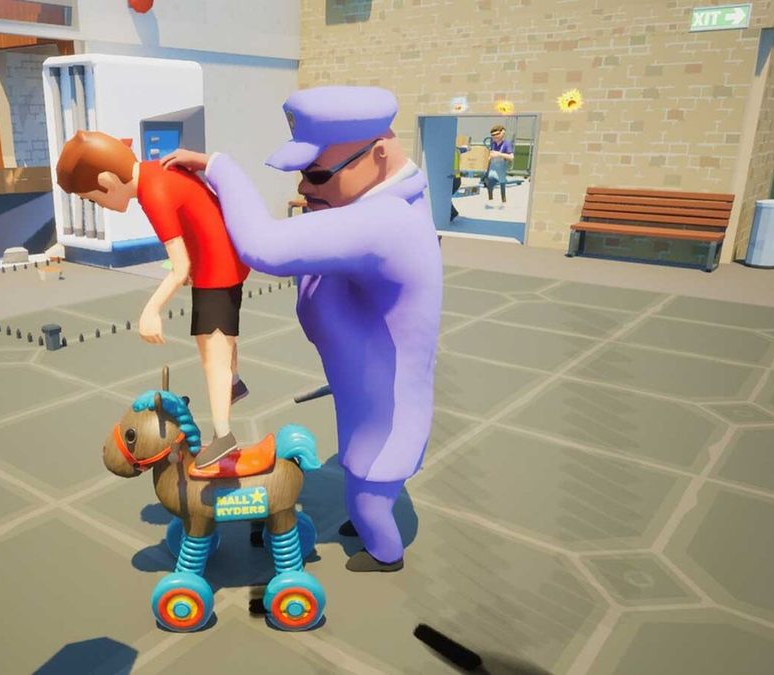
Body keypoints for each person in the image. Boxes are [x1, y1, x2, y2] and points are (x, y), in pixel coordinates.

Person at [162, 86, 442, 573]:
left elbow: (265, 246)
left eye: (317, 174)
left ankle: (385, 552)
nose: (304, 188)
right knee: (362, 467)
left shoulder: (388, 222)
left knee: (371, 488)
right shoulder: (370, 206)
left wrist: (220, 167)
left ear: (378, 156)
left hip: (388, 401)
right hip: (363, 386)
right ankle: (369, 517)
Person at [55, 130, 250, 468]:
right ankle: (233, 383)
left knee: (212, 354)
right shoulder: (157, 173)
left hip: (217, 269)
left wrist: (151, 310)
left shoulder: (153, 192)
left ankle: (223, 436)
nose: (99, 206)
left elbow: (179, 266)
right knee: (220, 338)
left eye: (92, 200)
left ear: (106, 181)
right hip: (221, 261)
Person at [483, 125, 514, 207]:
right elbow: (490, 156)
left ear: (502, 133)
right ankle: (490, 201)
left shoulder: (507, 144)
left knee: (502, 186)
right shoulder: (493, 143)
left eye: (497, 134)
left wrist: (499, 154)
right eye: (493, 135)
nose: (495, 137)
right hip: (492, 168)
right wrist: (487, 169)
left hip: (501, 169)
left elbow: (511, 157)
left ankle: (503, 202)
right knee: (489, 185)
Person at [450, 140, 469, 220]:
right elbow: (465, 149)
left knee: (444, 198)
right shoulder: (457, 150)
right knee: (446, 198)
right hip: (457, 179)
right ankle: (452, 213)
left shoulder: (447, 151)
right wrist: (467, 148)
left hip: (452, 179)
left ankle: (453, 213)